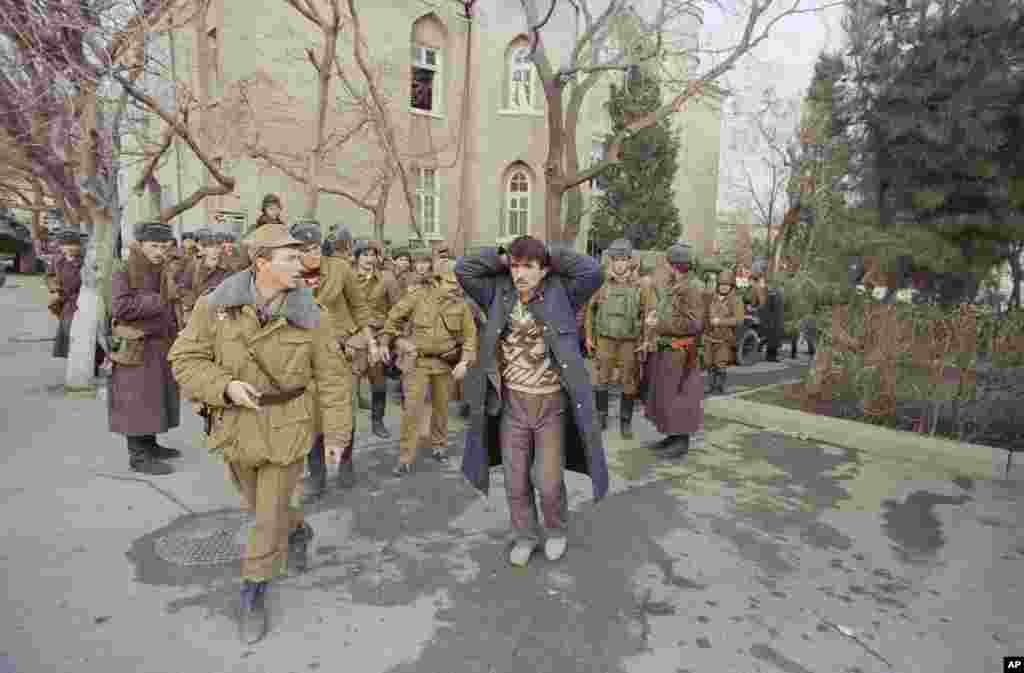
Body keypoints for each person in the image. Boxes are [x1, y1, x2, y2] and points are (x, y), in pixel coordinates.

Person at [168, 224, 352, 644]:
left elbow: (334, 380)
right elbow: (184, 358)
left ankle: (253, 591)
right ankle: (299, 529)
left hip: (288, 427)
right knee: (261, 505)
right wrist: (224, 386)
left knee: (264, 518)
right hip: (235, 428)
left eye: (303, 255)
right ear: (262, 261)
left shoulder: (313, 316)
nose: (303, 264)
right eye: (290, 257)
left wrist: (337, 437)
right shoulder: (214, 307)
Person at [456, 236, 608, 567]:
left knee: (549, 479)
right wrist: (500, 256)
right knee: (515, 478)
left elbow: (593, 272)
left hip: (551, 404)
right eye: (515, 265)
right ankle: (525, 535)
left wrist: (548, 251)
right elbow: (463, 269)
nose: (519, 273)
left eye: (528, 266)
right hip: (512, 404)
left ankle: (556, 531)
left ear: (544, 270)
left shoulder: (561, 294)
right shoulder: (497, 292)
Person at [289, 221, 373, 498]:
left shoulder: (339, 269)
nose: (311, 254)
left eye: (315, 247)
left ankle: (346, 462)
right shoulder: (287, 274)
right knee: (311, 415)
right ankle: (317, 475)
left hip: (340, 352)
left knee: (341, 409)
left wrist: (364, 340)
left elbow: (359, 307)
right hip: (303, 355)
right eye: (304, 249)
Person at [381, 269, 477, 474]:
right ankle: (405, 457)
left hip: (444, 364)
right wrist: (398, 341)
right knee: (412, 410)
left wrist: (465, 361)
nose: (456, 288)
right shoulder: (417, 298)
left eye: (458, 284)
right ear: (437, 281)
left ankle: (439, 446)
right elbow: (391, 320)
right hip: (418, 363)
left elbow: (470, 336)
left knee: (442, 408)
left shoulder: (461, 305)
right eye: (451, 283)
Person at [108, 222, 183, 475]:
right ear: (140, 245)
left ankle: (150, 446)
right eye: (154, 246)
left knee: (152, 397)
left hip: (159, 342)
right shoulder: (123, 269)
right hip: (135, 346)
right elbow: (120, 307)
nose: (160, 251)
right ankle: (138, 457)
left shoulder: (161, 268)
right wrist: (157, 301)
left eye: (164, 246)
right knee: (136, 399)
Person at [584, 239, 653, 439]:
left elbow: (649, 315)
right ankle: (601, 417)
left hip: (629, 342)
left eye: (623, 259)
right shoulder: (602, 284)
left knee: (629, 381)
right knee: (601, 380)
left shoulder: (641, 286)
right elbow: (590, 310)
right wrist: (589, 337)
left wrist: (646, 339)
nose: (619, 264)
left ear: (630, 261)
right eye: (616, 260)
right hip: (605, 340)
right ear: (611, 261)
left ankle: (625, 421)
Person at [643, 242, 705, 458]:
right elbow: (672, 313)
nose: (664, 266)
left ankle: (681, 442)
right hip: (670, 349)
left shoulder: (693, 288)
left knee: (680, 397)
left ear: (675, 265)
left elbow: (694, 324)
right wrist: (657, 318)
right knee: (668, 396)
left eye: (667, 262)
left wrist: (658, 324)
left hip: (682, 353)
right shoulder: (676, 284)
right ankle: (672, 436)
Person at [47, 230, 106, 374]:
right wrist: (54, 288)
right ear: (60, 246)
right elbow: (49, 276)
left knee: (85, 332)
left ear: (80, 246)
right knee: (70, 332)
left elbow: (91, 280)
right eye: (66, 245)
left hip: (82, 299)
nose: (70, 248)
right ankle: (79, 363)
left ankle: (93, 363)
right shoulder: (57, 259)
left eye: (74, 244)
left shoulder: (86, 261)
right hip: (65, 300)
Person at [179, 229, 233, 326]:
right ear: (204, 249)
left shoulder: (227, 268)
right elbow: (183, 288)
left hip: (216, 317)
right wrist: (194, 302)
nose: (215, 250)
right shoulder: (194, 265)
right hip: (195, 315)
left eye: (218, 247)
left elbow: (230, 293)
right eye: (211, 247)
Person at [704, 268, 744, 394]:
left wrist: (720, 321)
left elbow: (739, 320)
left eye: (727, 285)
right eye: (721, 285)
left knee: (720, 363)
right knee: (709, 363)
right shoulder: (711, 297)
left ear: (731, 286)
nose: (724, 288)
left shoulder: (736, 300)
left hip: (724, 338)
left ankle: (719, 386)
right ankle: (710, 386)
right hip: (710, 337)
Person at [750, 259, 783, 362]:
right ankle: (769, 354)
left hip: (774, 314)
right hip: (766, 314)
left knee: (774, 333)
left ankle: (771, 354)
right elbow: (755, 302)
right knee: (769, 333)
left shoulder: (772, 286)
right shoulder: (758, 286)